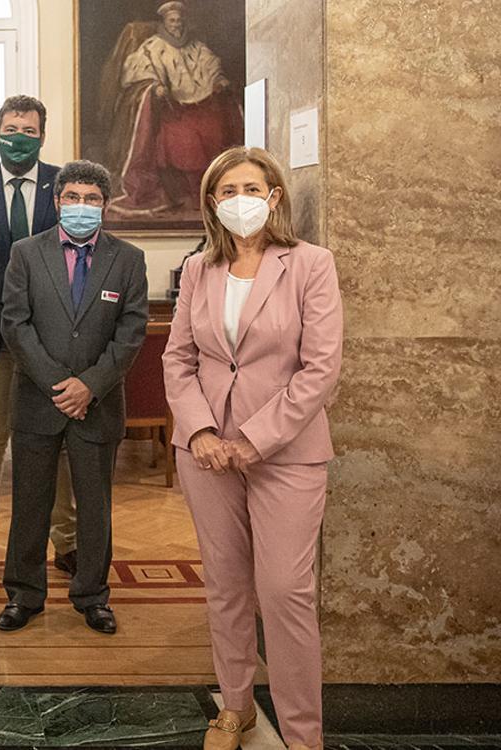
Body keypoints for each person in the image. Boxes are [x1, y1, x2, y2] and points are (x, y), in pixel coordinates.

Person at [163, 146, 342, 750]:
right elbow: (179, 359)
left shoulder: (311, 264)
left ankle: (302, 732)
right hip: (206, 454)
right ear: (212, 203)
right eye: (226, 190)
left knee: (286, 592)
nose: (240, 199)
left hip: (286, 454)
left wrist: (253, 441)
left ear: (275, 196)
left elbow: (320, 370)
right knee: (226, 583)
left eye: (251, 187)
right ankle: (234, 708)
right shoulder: (197, 269)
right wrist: (202, 432)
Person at [0, 160, 148, 635]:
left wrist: (90, 385)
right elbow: (14, 324)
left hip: (97, 404)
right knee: (29, 503)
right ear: (58, 201)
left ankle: (92, 595)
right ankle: (24, 594)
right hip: (39, 401)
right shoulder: (25, 253)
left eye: (92, 199)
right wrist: (58, 385)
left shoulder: (127, 259)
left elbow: (131, 331)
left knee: (94, 506)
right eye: (73, 198)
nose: (82, 207)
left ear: (105, 205)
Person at [0, 95, 80, 578]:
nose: (19, 137)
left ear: (42, 135)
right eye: (11, 128)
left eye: (28, 130)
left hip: (52, 340)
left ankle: (65, 541)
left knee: (58, 442)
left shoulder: (64, 184)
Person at [107, 0, 242, 217]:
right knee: (183, 138)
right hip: (171, 109)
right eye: (172, 20)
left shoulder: (197, 48)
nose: (176, 24)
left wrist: (218, 80)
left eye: (179, 20)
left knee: (214, 128)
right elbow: (139, 72)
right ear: (165, 22)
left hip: (199, 105)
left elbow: (212, 66)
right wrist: (155, 87)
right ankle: (184, 191)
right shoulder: (152, 47)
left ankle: (206, 190)